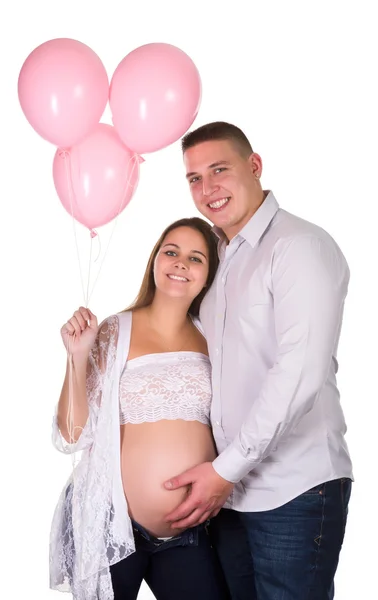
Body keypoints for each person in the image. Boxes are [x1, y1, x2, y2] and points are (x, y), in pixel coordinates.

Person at [163, 122, 353, 599]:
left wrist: (225, 470)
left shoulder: (298, 246)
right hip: (228, 495)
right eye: (194, 178)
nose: (207, 189)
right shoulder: (219, 258)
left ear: (255, 165)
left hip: (293, 489)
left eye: (219, 170)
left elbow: (300, 371)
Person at [49, 217, 229, 600]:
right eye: (171, 252)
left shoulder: (211, 337)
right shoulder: (116, 330)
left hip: (186, 532)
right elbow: (72, 436)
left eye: (196, 258)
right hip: (110, 524)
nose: (181, 263)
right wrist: (76, 357)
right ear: (155, 261)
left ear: (208, 275)